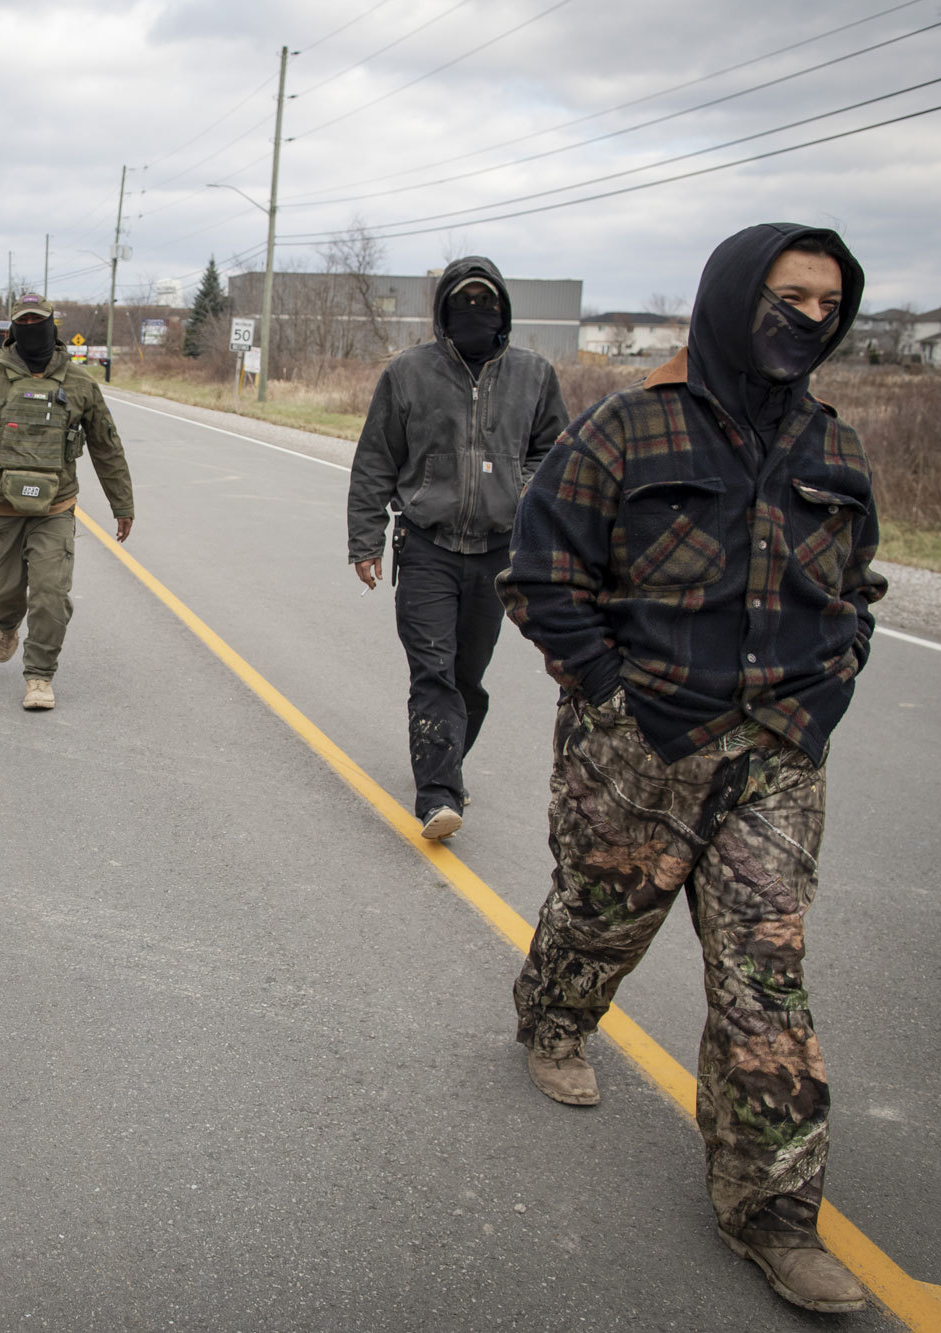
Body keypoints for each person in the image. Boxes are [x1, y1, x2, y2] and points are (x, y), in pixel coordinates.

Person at [498, 223, 886, 1313]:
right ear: (729, 298)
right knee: (599, 916)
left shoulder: (835, 451)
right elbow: (537, 573)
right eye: (786, 294)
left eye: (826, 302)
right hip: (640, 749)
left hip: (775, 759)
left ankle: (771, 1214)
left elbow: (857, 591)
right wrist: (607, 692)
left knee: (765, 982)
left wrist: (833, 676)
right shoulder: (625, 429)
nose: (808, 317)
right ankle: (552, 1017)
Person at [346, 256, 567, 839]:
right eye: (464, 303)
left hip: (497, 556)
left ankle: (447, 761)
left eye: (486, 302)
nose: (476, 312)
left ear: (504, 312)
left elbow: (556, 457)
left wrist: (523, 494)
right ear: (443, 311)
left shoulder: (535, 376)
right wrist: (365, 539)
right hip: (427, 547)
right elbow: (375, 461)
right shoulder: (408, 373)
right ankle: (438, 795)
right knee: (433, 673)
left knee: (468, 681)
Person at [0, 296, 135, 710]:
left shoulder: (79, 383)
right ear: (13, 330)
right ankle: (5, 624)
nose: (31, 327)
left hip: (55, 508)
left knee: (51, 593)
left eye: (37, 321)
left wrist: (122, 504)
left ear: (52, 327)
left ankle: (40, 676)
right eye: (23, 322)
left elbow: (107, 446)